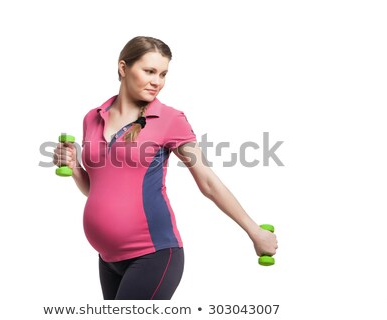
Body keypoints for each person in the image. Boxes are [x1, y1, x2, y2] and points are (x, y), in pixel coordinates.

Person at [53, 36, 278, 300]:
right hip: (108, 260)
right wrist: (76, 169)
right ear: (123, 68)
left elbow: (207, 181)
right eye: (149, 71)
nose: (157, 81)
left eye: (162, 74)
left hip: (153, 255)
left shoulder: (170, 119)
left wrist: (254, 231)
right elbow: (99, 189)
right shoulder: (93, 117)